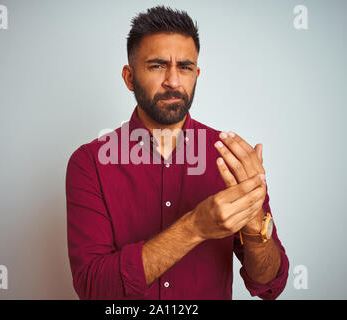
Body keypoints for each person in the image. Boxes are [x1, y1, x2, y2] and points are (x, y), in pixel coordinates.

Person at [66, 5, 289, 300]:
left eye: (184, 67)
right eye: (157, 66)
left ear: (196, 74)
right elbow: (94, 290)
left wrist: (254, 224)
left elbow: (269, 285)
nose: (173, 81)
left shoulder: (232, 158)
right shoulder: (89, 164)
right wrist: (195, 226)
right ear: (129, 77)